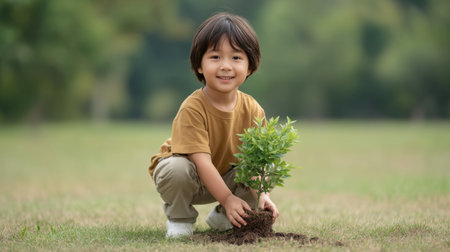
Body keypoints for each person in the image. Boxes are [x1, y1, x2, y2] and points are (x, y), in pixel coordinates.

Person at [148, 12, 279, 239]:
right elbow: (201, 161)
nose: (226, 66)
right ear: (199, 65)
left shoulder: (253, 110)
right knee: (176, 169)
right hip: (190, 177)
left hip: (225, 176)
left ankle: (223, 216)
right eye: (216, 57)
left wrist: (262, 196)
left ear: (249, 67)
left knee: (263, 169)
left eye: (236, 58)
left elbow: (256, 162)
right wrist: (227, 198)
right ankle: (180, 219)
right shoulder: (193, 107)